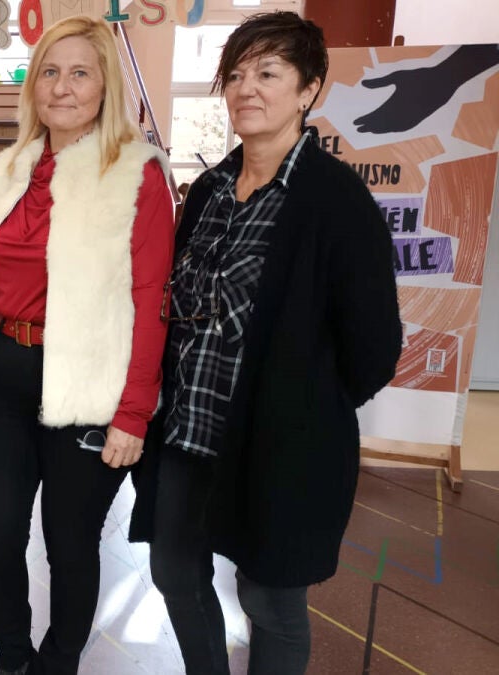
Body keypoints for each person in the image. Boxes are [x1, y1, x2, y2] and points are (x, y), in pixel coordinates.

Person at [128, 12, 402, 675]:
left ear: (308, 90)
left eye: (269, 73)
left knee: (269, 601)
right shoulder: (209, 191)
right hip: (189, 433)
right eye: (237, 74)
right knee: (174, 572)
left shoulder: (336, 201)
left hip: (282, 448)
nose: (247, 87)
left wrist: (303, 403)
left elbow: (374, 348)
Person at [0, 15, 174, 675]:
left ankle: (60, 662)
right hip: (3, 375)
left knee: (70, 545)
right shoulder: (10, 166)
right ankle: (12, 655)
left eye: (80, 73)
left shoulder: (138, 173)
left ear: (106, 86)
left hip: (89, 386)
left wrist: (134, 413)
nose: (62, 86)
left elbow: (152, 302)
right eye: (49, 71)